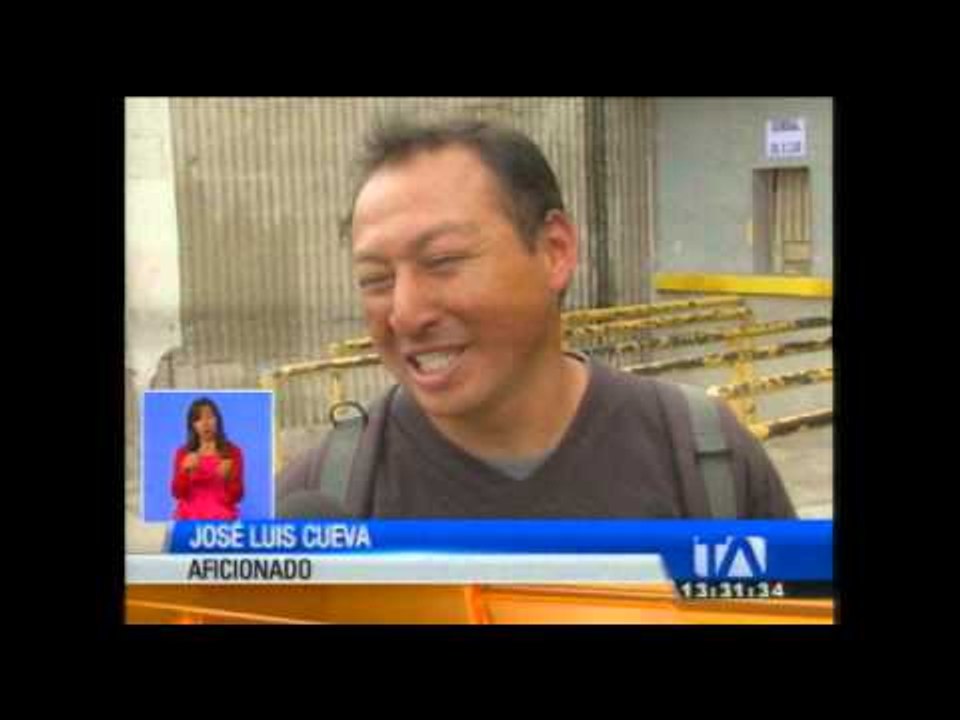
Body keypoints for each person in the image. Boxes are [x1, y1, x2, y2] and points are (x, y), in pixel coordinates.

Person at [277, 118, 796, 519]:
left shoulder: (707, 463)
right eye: (376, 279)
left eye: (442, 262)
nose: (405, 313)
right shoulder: (319, 498)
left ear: (554, 250)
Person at [172, 397, 245, 520]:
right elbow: (177, 493)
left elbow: (237, 497)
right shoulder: (183, 453)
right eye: (198, 419)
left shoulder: (233, 452)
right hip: (188, 518)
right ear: (193, 425)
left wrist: (229, 479)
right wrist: (183, 471)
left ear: (217, 420)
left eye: (209, 417)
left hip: (222, 520)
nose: (205, 423)